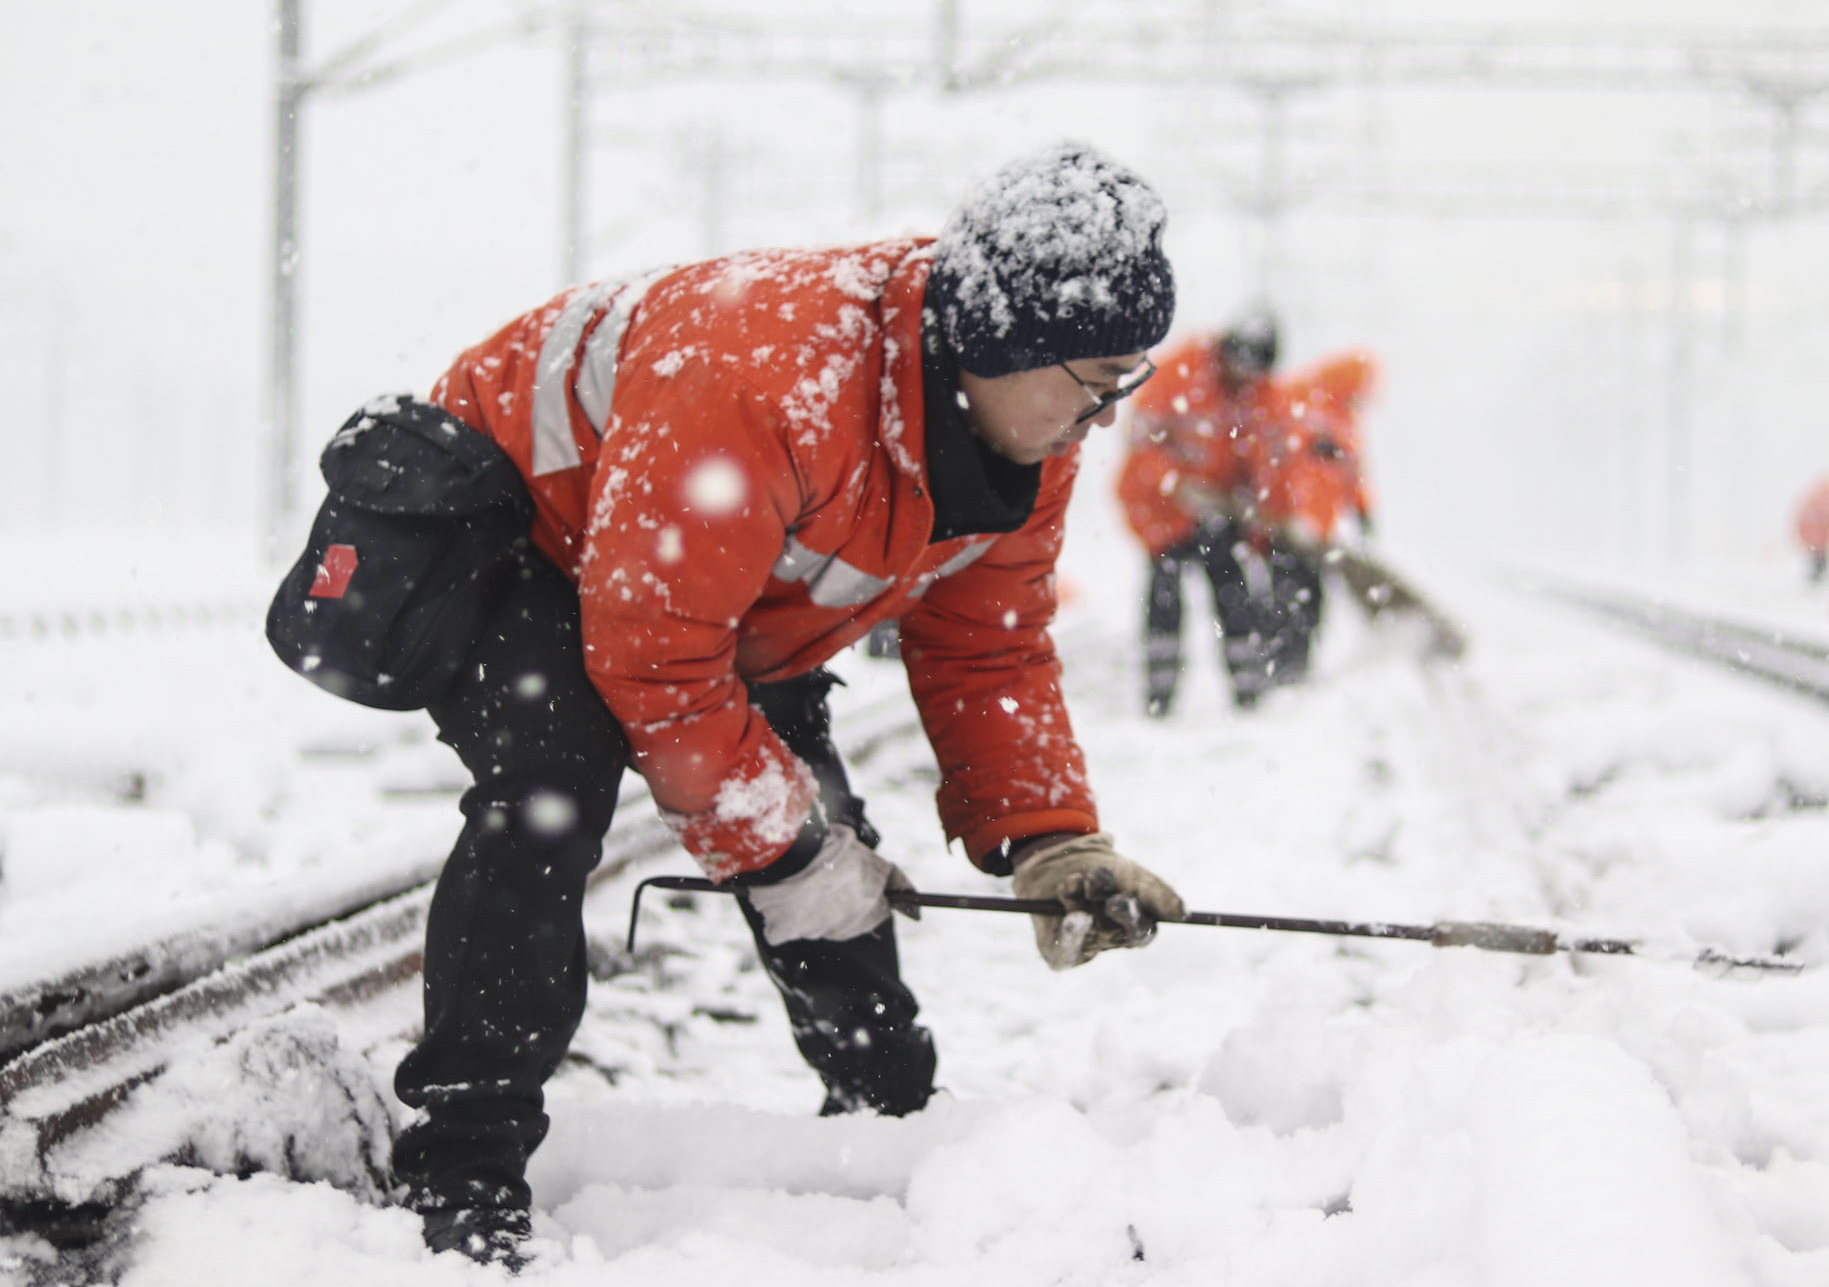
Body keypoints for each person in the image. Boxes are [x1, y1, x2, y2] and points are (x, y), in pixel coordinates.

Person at [265, 143, 1189, 1266]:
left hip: (727, 576)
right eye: (1097, 385)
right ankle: (464, 1164)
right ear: (998, 344)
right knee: (555, 788)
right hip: (530, 538)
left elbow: (986, 649)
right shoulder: (766, 380)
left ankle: (890, 1112)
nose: (1105, 419)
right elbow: (658, 668)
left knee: (815, 824)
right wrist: (786, 850)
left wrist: (1054, 842)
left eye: (1128, 385)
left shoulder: (1023, 436)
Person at [1115, 305, 1280, 716]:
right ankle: (1159, 697)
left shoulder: (1260, 394)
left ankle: (1249, 692)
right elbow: (1141, 445)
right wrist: (1180, 485)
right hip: (1165, 512)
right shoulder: (1177, 373)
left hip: (1221, 517)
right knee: (1164, 600)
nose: (1244, 376)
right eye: (1239, 363)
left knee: (1235, 596)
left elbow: (1265, 455)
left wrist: (1258, 504)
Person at [1249, 349, 1380, 685]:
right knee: (1289, 596)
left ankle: (1296, 666)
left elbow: (1352, 469)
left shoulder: (1342, 417)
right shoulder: (1306, 409)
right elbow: (1295, 468)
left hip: (1313, 531)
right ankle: (1281, 669)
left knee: (1310, 597)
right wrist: (1298, 517)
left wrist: (1362, 507)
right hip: (1288, 528)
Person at [1794, 475, 1829, 585]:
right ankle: (1815, 584)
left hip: (1817, 543)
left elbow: (1801, 524)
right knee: (1820, 564)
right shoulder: (1825, 506)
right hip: (1821, 543)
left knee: (1818, 564)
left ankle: (1814, 583)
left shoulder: (1810, 504)